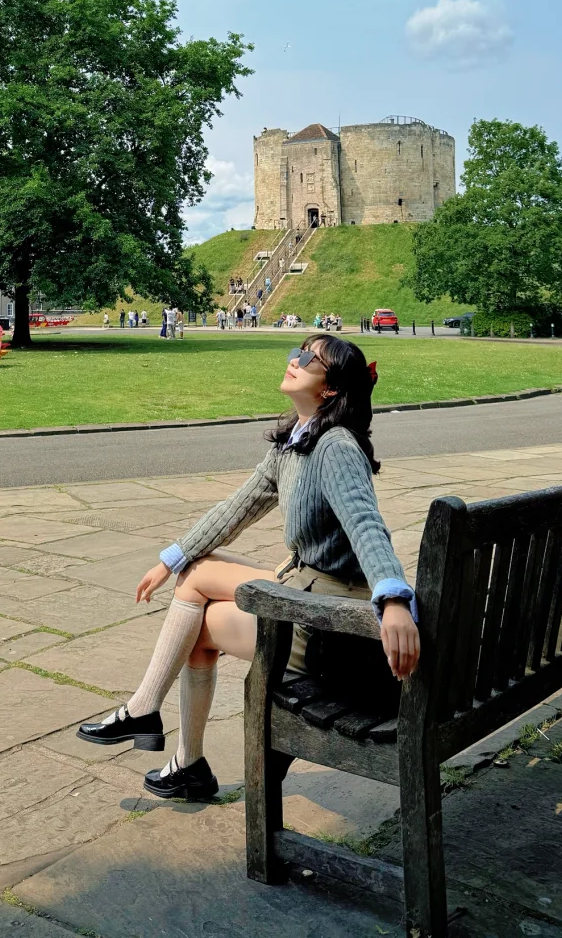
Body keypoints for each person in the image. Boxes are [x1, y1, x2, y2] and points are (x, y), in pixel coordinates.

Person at [76, 334, 419, 799]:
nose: (292, 360)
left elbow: (366, 525)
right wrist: (169, 558)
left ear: (330, 389)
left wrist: (395, 598)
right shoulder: (294, 444)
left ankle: (170, 743)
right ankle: (169, 742)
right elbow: (236, 508)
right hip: (308, 588)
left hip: (330, 623)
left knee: (197, 629)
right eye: (295, 352)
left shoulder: (334, 446)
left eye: (307, 358)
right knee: (194, 574)